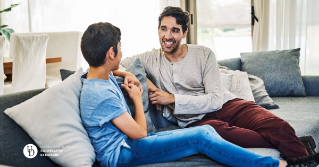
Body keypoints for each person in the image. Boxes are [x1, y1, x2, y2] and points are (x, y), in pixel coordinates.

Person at [79, 22, 319, 167]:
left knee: (207, 132)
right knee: (201, 137)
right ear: (111, 52)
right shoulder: (100, 96)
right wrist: (136, 100)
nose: (122, 52)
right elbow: (140, 133)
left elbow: (112, 70)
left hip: (128, 143)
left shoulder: (100, 74)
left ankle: (295, 152)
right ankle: (277, 164)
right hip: (123, 152)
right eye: (120, 49)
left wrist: (125, 73)